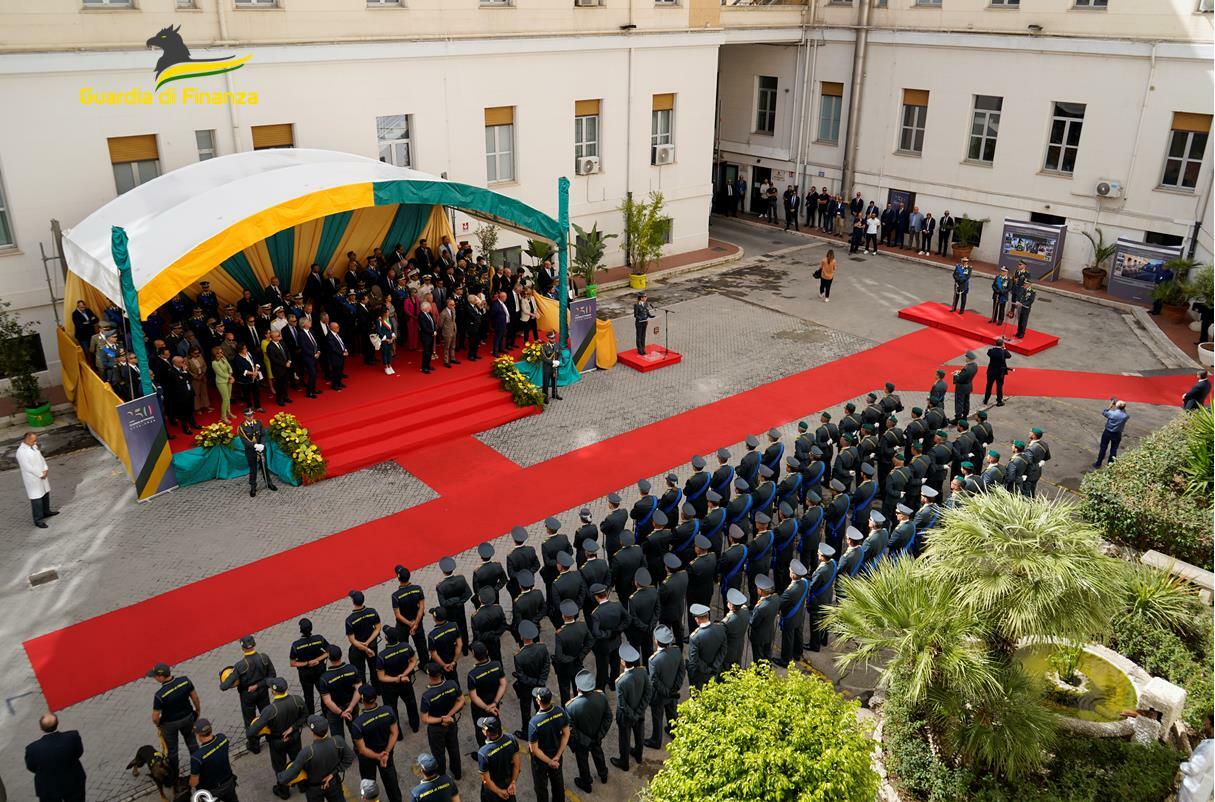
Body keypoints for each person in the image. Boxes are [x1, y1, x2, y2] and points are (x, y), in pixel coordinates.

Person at [246, 677, 307, 801]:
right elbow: (305, 716)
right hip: (294, 737)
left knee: (279, 767)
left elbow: (251, 732)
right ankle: (303, 784)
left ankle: (283, 791)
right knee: (298, 761)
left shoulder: (269, 710)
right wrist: (293, 728)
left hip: (277, 742)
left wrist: (265, 732)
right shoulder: (297, 700)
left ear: (273, 691)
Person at [277, 716, 355, 802]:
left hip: (314, 789)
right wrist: (333, 773)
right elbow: (350, 757)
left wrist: (280, 776)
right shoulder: (338, 741)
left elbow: (287, 777)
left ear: (312, 730)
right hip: (333, 783)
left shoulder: (307, 752)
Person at [149, 662, 202, 780]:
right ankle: (199, 769)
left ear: (161, 677)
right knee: (193, 744)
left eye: (155, 676)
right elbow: (195, 698)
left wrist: (159, 725)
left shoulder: (160, 695)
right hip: (188, 718)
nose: (154, 678)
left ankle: (175, 777)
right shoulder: (185, 681)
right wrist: (197, 711)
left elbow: (155, 717)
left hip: (169, 725)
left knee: (172, 752)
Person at [350, 685, 403, 802]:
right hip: (386, 753)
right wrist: (386, 753)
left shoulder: (358, 724)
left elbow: (362, 749)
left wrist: (378, 756)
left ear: (362, 700)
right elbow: (394, 733)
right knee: (391, 782)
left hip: (367, 759)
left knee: (369, 786)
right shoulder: (388, 711)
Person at [565, 669, 611, 793]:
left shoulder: (570, 707)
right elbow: (608, 717)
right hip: (597, 736)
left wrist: (586, 740)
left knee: (582, 761)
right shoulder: (601, 697)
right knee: (598, 754)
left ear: (578, 688)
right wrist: (599, 735)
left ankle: (586, 783)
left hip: (582, 741)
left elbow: (572, 730)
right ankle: (603, 775)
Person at [25, 713, 86, 802]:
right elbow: (79, 752)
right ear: (57, 723)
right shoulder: (72, 737)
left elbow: (31, 767)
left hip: (48, 787)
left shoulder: (32, 749)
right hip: (73, 781)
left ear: (41, 728)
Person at [419, 661, 465, 779]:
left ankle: (442, 776)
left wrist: (441, 719)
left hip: (436, 729)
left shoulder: (427, 696)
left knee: (438, 754)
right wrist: (449, 716)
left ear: (429, 676)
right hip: (451, 722)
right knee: (454, 748)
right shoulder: (452, 684)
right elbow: (461, 700)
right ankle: (457, 772)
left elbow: (425, 718)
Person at [611, 643, 651, 772]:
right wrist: (639, 712)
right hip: (640, 713)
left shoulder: (620, 682)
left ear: (623, 662)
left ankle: (624, 762)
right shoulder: (643, 672)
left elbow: (622, 704)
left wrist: (632, 715)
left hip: (626, 716)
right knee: (639, 734)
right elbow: (647, 693)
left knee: (624, 738)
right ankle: (638, 755)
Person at [527, 687, 570, 802]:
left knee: (541, 787)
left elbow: (534, 750)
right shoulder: (560, 711)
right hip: (556, 755)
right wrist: (557, 756)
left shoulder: (534, 723)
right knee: (558, 783)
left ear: (538, 701)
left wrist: (549, 762)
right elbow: (566, 734)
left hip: (541, 761)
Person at [189, 718, 239, 802]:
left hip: (211, 792)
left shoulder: (197, 757)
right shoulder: (222, 739)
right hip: (228, 783)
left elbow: (194, 782)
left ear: (198, 735)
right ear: (211, 729)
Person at [476, 716, 520, 802]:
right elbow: (517, 765)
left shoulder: (483, 753)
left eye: (483, 728)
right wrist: (513, 782)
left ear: (487, 733)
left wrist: (499, 792)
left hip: (493, 790)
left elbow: (487, 781)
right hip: (509, 784)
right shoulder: (511, 739)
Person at [16, 432, 55, 529]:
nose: (35, 442)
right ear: (27, 439)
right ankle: (38, 520)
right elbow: (27, 467)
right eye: (34, 440)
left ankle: (46, 511)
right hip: (33, 478)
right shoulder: (21, 452)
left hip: (42, 475)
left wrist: (45, 468)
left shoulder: (34, 446)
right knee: (36, 499)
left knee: (45, 493)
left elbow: (41, 458)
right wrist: (40, 474)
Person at [237, 409, 277, 497]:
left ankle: (269, 482)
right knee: (253, 468)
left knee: (264, 466)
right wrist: (255, 446)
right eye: (248, 415)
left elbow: (263, 435)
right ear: (245, 416)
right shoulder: (242, 427)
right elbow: (245, 441)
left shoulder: (258, 423)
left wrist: (262, 445)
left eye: (251, 415)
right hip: (251, 451)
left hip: (261, 449)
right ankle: (253, 486)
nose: (250, 417)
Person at [1179, 715, 1214, 802]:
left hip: (1191, 794)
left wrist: (1181, 764)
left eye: (1207, 723)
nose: (1204, 724)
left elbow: (1193, 769)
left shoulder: (1210, 747)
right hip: (1201, 793)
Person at [1094, 399, 1129, 467]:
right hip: (1117, 434)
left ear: (1117, 406)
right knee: (1114, 449)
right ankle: (1111, 465)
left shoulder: (1112, 413)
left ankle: (1098, 463)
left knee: (1103, 448)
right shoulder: (1126, 416)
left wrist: (1110, 406)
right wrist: (1122, 407)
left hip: (1107, 432)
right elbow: (1124, 412)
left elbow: (1104, 412)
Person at [983, 338, 1012, 406]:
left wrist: (995, 347)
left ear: (995, 344)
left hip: (991, 371)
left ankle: (986, 400)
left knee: (989, 386)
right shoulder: (1004, 352)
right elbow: (1009, 356)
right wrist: (1004, 348)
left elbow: (988, 353)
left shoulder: (991, 351)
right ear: (1002, 344)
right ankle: (999, 401)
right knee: (999, 386)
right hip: (1000, 372)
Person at [952, 351, 978, 422]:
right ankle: (965, 415)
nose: (965, 358)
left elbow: (960, 379)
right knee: (966, 402)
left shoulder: (967, 368)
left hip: (961, 388)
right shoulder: (975, 366)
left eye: (966, 357)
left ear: (969, 358)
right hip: (968, 386)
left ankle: (958, 418)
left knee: (959, 402)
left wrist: (955, 375)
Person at [540, 330, 562, 402]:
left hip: (555, 367)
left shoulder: (557, 345)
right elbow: (543, 358)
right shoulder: (544, 347)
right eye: (552, 338)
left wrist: (558, 361)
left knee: (554, 381)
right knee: (546, 383)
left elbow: (560, 354)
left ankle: (554, 394)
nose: (553, 339)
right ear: (548, 338)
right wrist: (552, 362)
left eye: (554, 338)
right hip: (547, 368)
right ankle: (545, 397)